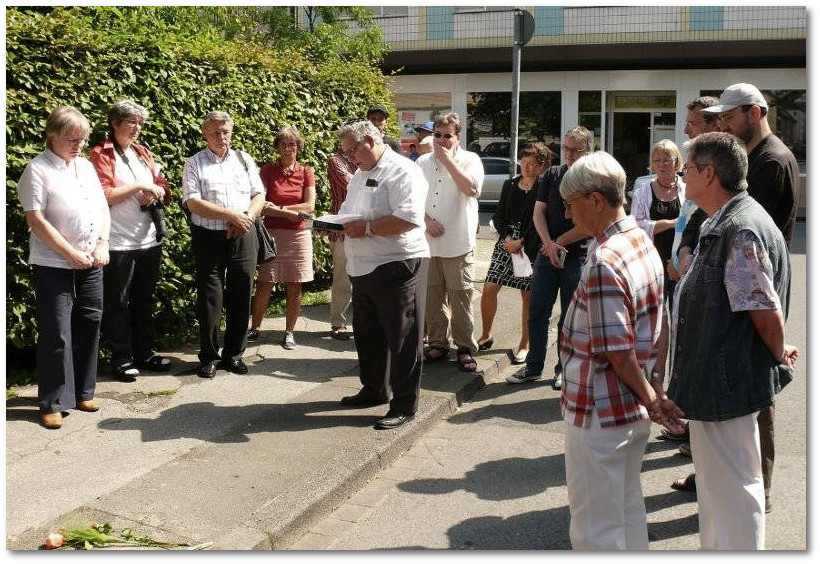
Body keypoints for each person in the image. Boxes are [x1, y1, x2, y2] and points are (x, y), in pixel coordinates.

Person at [661, 132, 796, 549]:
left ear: (709, 173)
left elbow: (763, 310)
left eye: (687, 169)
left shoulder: (739, 228)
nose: (682, 177)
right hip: (718, 382)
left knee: (736, 491)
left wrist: (779, 354)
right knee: (721, 489)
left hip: (728, 384)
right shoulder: (724, 220)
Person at [558, 151, 673, 550]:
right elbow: (662, 322)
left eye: (570, 205)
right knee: (626, 512)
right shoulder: (639, 238)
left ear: (595, 200)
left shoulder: (605, 259)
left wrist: (652, 398)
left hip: (598, 410)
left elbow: (616, 352)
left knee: (595, 529)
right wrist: (654, 391)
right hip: (627, 410)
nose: (568, 216)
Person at [702, 82, 800, 514]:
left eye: (731, 114)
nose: (723, 122)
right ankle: (728, 474)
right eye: (720, 116)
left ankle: (758, 486)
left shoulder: (772, 162)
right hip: (741, 287)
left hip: (756, 292)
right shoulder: (752, 156)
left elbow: (751, 236)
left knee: (757, 388)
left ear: (756, 112)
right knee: (733, 382)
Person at [17, 106, 111, 429]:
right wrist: (70, 252)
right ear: (52, 135)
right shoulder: (37, 169)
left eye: (82, 139)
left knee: (90, 321)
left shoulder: (85, 167)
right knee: (57, 331)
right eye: (72, 138)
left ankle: (84, 391)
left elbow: (101, 207)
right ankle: (52, 401)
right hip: (53, 262)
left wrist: (102, 242)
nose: (78, 145)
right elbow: (36, 221)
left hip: (90, 260)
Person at [335, 120, 430, 430]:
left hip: (397, 265)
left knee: (403, 339)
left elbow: (410, 218)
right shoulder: (360, 174)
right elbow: (349, 212)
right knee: (368, 335)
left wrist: (368, 229)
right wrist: (336, 226)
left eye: (351, 151)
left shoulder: (403, 170)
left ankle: (404, 405)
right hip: (361, 266)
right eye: (345, 152)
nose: (348, 158)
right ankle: (375, 389)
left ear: (371, 141)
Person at [657, 95, 720, 491]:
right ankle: (689, 429)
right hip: (681, 271)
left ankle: (710, 469)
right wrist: (679, 251)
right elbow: (690, 218)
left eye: (693, 122)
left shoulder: (717, 167)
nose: (686, 130)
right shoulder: (698, 167)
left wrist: (684, 257)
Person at [89, 100, 172, 383]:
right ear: (115, 123)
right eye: (131, 122)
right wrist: (139, 186)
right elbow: (102, 194)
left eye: (140, 123)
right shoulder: (101, 153)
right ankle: (121, 359)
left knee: (144, 300)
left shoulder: (142, 152)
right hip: (118, 241)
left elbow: (162, 185)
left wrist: (157, 191)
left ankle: (144, 353)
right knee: (118, 303)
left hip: (148, 239)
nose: (137, 128)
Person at [506, 127, 593, 388]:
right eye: (566, 148)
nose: (569, 154)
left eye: (575, 149)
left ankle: (563, 369)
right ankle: (533, 367)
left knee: (570, 316)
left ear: (587, 150)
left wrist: (557, 244)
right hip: (546, 255)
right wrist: (548, 245)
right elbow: (538, 213)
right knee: (537, 312)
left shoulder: (592, 179)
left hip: (576, 256)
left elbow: (589, 223)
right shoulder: (553, 174)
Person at [181, 111, 266, 379]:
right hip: (208, 237)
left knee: (241, 293)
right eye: (215, 132)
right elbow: (193, 202)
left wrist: (246, 219)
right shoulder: (193, 163)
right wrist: (231, 216)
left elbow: (259, 194)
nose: (222, 137)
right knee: (210, 298)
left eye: (226, 131)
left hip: (244, 234)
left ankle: (234, 354)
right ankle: (208, 356)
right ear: (205, 134)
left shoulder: (244, 159)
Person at [415, 112, 484, 373]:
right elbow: (410, 199)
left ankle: (465, 347)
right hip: (428, 242)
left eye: (447, 136)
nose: (442, 140)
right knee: (432, 296)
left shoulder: (470, 159)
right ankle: (437, 343)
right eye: (438, 135)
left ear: (457, 136)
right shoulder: (421, 162)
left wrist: (448, 160)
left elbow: (471, 190)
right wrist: (426, 221)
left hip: (458, 241)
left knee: (461, 296)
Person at [477, 142, 551, 364]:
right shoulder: (509, 185)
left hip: (531, 242)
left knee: (527, 295)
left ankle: (524, 344)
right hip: (507, 240)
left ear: (541, 165)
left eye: (531, 163)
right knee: (489, 287)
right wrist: (508, 238)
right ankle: (486, 334)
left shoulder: (543, 187)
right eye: (523, 162)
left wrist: (522, 242)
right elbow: (499, 216)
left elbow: (541, 220)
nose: (526, 167)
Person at [248, 126, 316, 350]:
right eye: (284, 144)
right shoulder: (267, 171)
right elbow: (261, 207)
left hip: (299, 235)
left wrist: (279, 207)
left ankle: (289, 332)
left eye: (292, 144)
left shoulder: (306, 171)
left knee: (295, 284)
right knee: (265, 282)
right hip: (272, 234)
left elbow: (310, 206)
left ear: (298, 147)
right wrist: (287, 212)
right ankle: (254, 328)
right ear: (277, 147)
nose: (288, 149)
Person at [630, 139, 685, 305]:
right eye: (657, 160)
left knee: (679, 313)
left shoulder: (687, 189)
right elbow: (636, 226)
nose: (662, 164)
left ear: (676, 162)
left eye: (667, 159)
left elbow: (693, 223)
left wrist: (678, 260)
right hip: (651, 263)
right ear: (652, 164)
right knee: (654, 316)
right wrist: (672, 223)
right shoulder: (642, 192)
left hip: (680, 263)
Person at [325, 141, 358, 340]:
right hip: (342, 231)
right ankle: (338, 322)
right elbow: (354, 185)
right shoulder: (336, 161)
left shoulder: (367, 162)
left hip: (368, 229)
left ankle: (364, 323)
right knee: (342, 279)